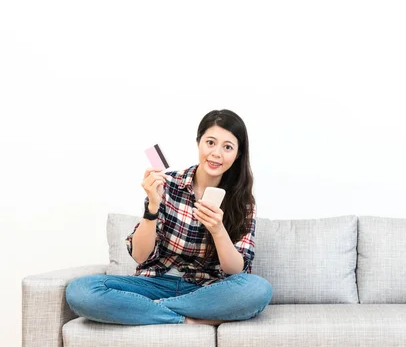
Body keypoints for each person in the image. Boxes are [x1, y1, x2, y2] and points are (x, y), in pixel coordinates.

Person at [65, 109, 273, 326]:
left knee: (258, 289)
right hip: (154, 284)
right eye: (210, 142)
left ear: (237, 154)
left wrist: (218, 230)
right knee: (80, 291)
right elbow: (140, 255)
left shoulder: (243, 201)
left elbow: (236, 270)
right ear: (198, 142)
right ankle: (187, 320)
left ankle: (142, 309)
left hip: (206, 291)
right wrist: (152, 207)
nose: (217, 153)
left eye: (227, 147)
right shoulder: (168, 184)